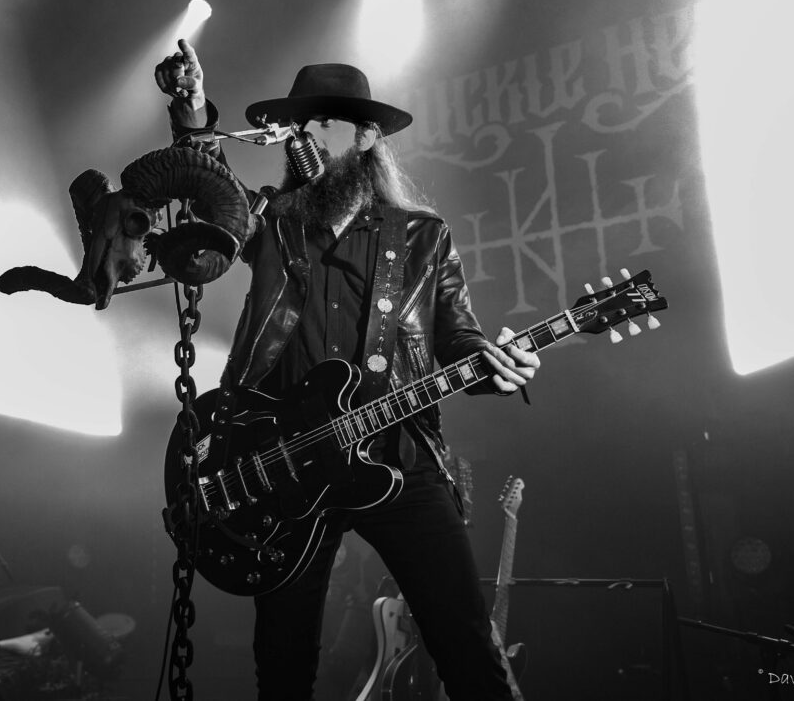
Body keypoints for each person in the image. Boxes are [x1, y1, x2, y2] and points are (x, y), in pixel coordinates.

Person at [153, 39, 540, 700]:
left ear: (365, 136)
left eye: (323, 120)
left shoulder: (421, 236)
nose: (304, 133)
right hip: (286, 461)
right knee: (283, 670)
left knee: (468, 650)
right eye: (299, 121)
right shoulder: (272, 222)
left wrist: (498, 363)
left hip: (397, 453)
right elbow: (210, 191)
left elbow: (458, 337)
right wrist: (191, 108)